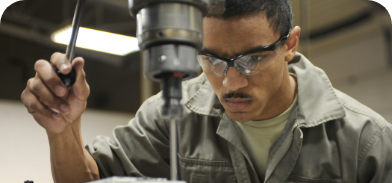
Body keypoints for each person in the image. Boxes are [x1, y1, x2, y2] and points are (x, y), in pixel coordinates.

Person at [21, 0, 392, 183]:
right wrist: (63, 130)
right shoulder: (169, 117)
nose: (230, 83)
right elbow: (88, 179)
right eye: (212, 60)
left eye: (252, 60)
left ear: (290, 43)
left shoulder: (365, 141)